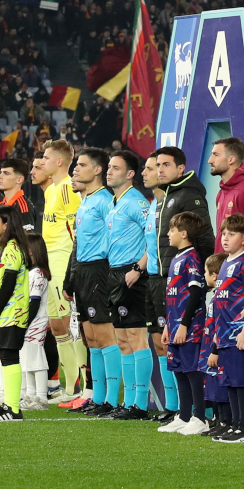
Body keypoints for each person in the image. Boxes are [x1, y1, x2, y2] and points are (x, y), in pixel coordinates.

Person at [64, 149, 116, 415]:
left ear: (97, 170)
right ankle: (98, 396)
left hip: (100, 270)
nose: (75, 169)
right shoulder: (86, 201)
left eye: (81, 165)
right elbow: (78, 244)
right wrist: (70, 280)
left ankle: (111, 399)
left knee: (105, 336)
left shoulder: (106, 200)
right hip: (83, 271)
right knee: (91, 338)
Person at [104, 150, 155, 421]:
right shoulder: (116, 202)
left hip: (133, 274)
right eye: (109, 167)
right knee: (123, 340)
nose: (108, 171)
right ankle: (129, 402)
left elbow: (153, 237)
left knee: (136, 339)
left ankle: (140, 404)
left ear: (130, 174)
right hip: (116, 274)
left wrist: (138, 268)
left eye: (115, 167)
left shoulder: (136, 202)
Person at [38, 140, 84, 405]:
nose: (42, 162)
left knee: (71, 325)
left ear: (59, 162)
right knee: (57, 327)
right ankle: (69, 389)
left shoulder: (68, 188)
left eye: (45, 157)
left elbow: (76, 231)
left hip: (63, 261)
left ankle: (80, 389)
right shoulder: (51, 189)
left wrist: (71, 267)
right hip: (50, 262)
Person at [158, 211, 209, 435]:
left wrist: (185, 324)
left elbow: (196, 293)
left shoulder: (192, 258)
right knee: (178, 368)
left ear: (184, 233)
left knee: (191, 369)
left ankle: (200, 417)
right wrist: (170, 325)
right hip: (175, 323)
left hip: (190, 325)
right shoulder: (177, 257)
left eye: (172, 229)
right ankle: (185, 414)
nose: (168, 233)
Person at [209, 213, 244, 443]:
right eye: (224, 234)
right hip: (224, 331)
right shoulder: (226, 262)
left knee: (240, 381)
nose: (225, 238)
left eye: (231, 234)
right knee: (228, 380)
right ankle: (233, 424)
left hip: (238, 331)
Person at [0, 205, 34, 422]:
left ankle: (13, 409)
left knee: (10, 356)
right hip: (3, 313)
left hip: (13, 312)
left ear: (6, 224)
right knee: (5, 356)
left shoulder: (13, 248)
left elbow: (8, 283)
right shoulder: (0, 249)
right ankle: (9, 405)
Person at [140, 154, 176, 419]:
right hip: (151, 278)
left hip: (165, 279)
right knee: (157, 341)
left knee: (170, 342)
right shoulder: (153, 204)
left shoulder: (170, 205)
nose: (146, 172)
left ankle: (177, 406)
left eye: (150, 169)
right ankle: (168, 405)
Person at [153, 146, 216, 267]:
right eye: (158, 165)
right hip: (167, 272)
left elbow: (204, 236)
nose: (160, 170)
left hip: (185, 273)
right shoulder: (165, 196)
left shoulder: (189, 195)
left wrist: (205, 272)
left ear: (180, 168)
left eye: (166, 165)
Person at [19, 235, 53, 411]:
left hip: (35, 322)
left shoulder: (38, 274)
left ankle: (41, 397)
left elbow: (34, 302)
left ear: (31, 251)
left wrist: (24, 322)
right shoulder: (30, 272)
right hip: (27, 322)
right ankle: (31, 395)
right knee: (27, 360)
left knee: (36, 359)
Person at [201, 252, 231, 437]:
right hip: (210, 349)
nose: (204, 276)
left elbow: (221, 326)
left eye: (205, 272)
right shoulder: (214, 296)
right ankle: (218, 420)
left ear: (214, 275)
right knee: (213, 386)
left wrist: (215, 349)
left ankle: (227, 421)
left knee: (222, 388)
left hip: (218, 349)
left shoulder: (221, 298)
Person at [0, 158, 37, 233]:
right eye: (1, 172)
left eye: (6, 173)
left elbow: (27, 238)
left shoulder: (23, 206)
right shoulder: (0, 204)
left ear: (19, 180)